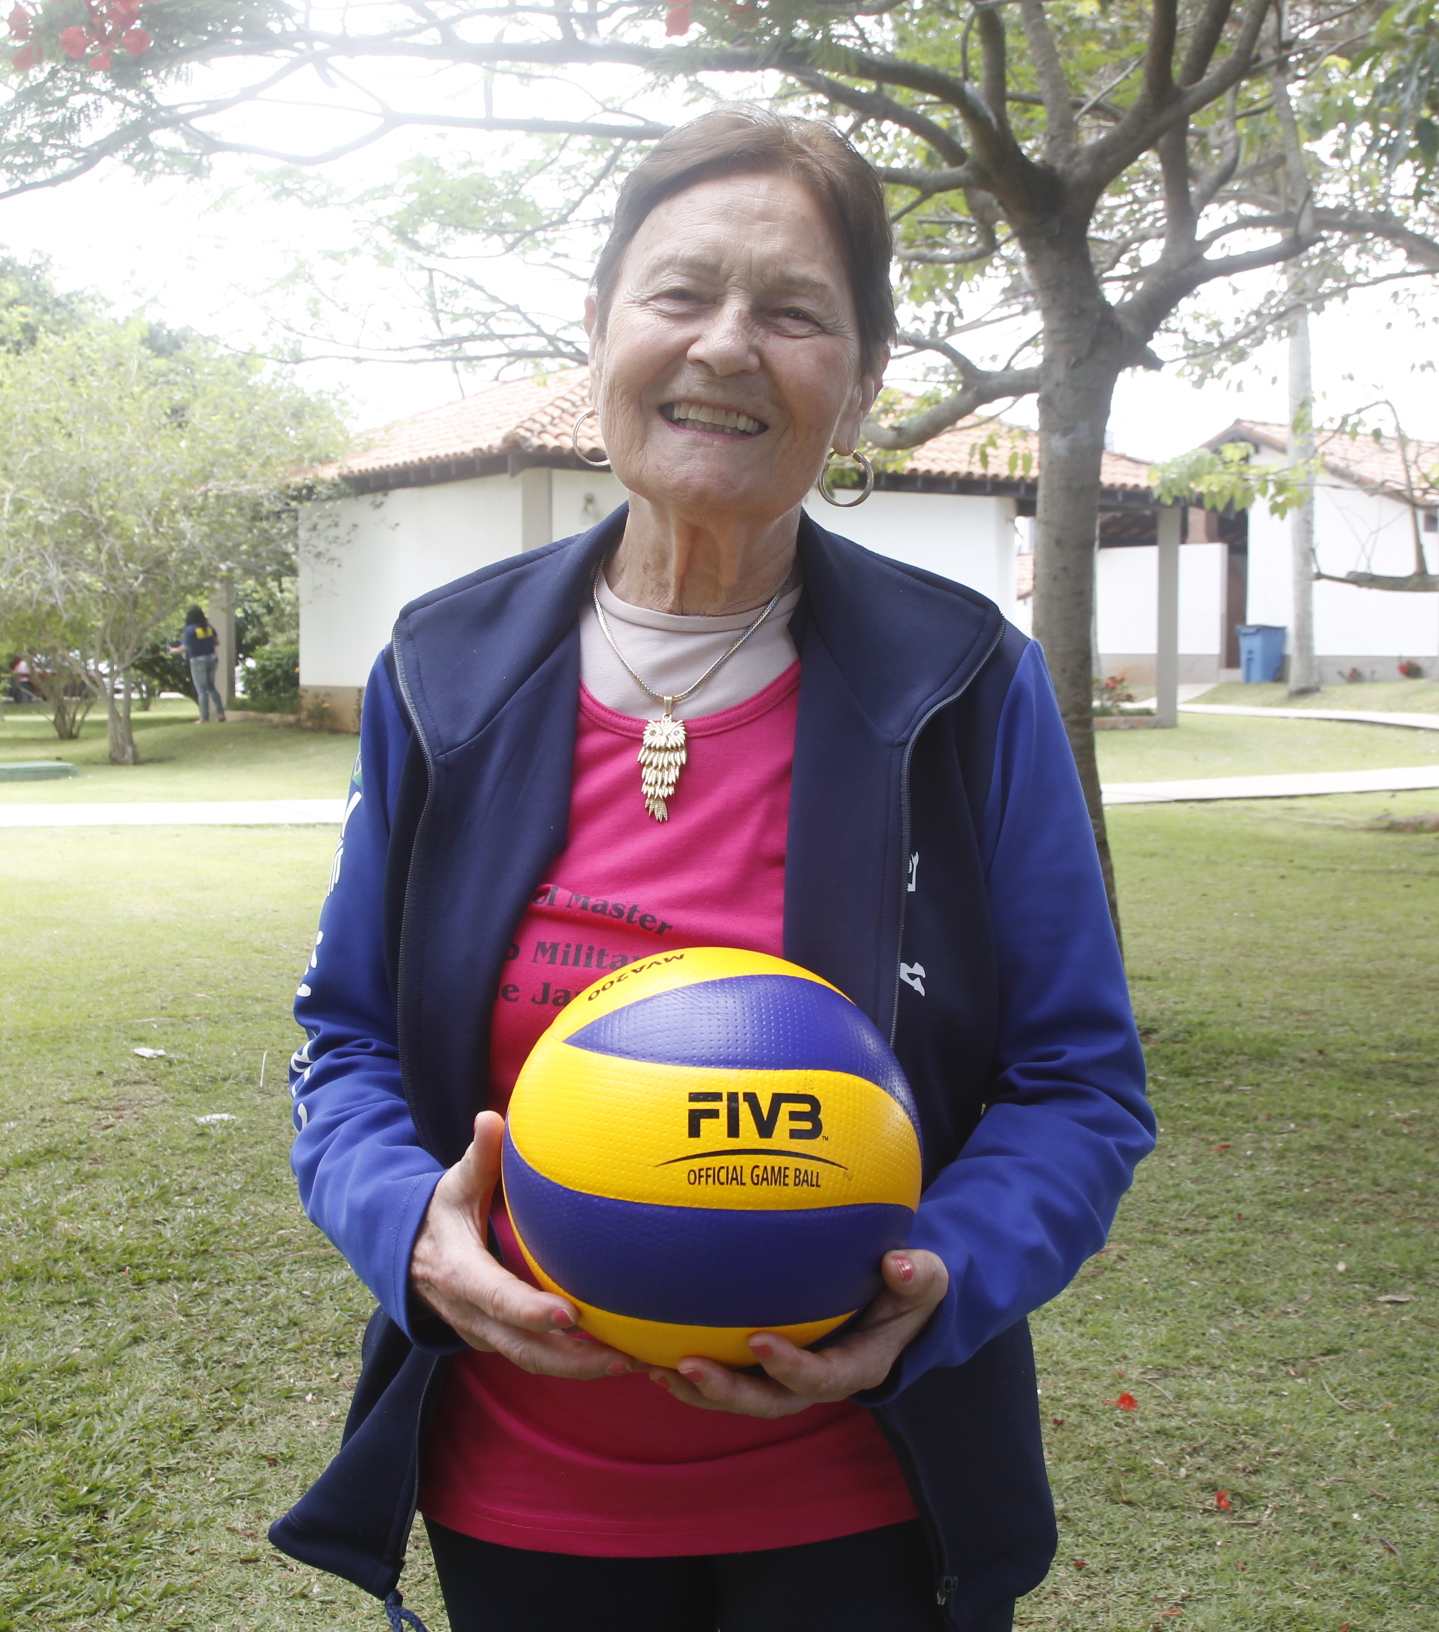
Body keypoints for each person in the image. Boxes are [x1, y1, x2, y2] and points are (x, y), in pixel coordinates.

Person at [274, 106, 1154, 1632]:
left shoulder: (960, 684)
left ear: (861, 382)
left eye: (795, 312)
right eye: (680, 294)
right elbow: (345, 1040)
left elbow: (1080, 1082)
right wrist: (410, 1227)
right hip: (524, 1498)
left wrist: (929, 1278)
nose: (728, 346)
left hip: (865, 1501)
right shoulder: (447, 668)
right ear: (602, 328)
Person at [179, 606, 226, 722]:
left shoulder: (190, 630)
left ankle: (204, 717)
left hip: (197, 660)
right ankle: (221, 714)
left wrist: (174, 650)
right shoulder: (209, 628)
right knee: (211, 687)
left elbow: (184, 647)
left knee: (201, 690)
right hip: (211, 658)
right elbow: (217, 642)